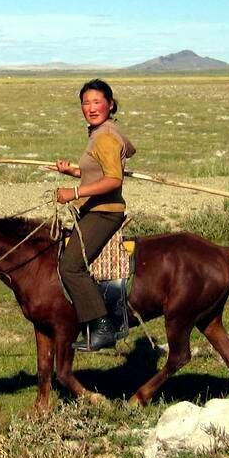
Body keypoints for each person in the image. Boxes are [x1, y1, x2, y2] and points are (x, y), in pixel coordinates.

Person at [53, 79, 136, 351]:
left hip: (104, 212)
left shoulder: (106, 137)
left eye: (97, 101)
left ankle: (102, 326)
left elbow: (113, 179)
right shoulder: (100, 133)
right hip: (95, 208)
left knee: (69, 265)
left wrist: (74, 192)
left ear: (110, 104)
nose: (91, 107)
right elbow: (97, 172)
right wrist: (74, 172)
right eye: (86, 103)